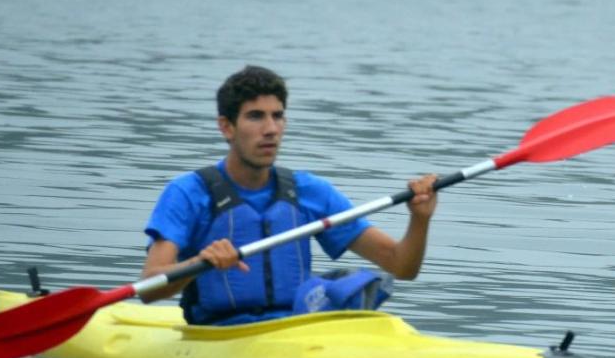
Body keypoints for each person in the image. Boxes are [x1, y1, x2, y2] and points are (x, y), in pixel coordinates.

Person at [142, 65, 438, 325]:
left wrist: (420, 220)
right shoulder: (188, 193)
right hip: (218, 335)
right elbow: (149, 287)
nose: (270, 129)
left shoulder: (311, 192)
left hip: (293, 331)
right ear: (227, 127)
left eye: (278, 116)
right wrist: (200, 261)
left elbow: (402, 266)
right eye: (256, 117)